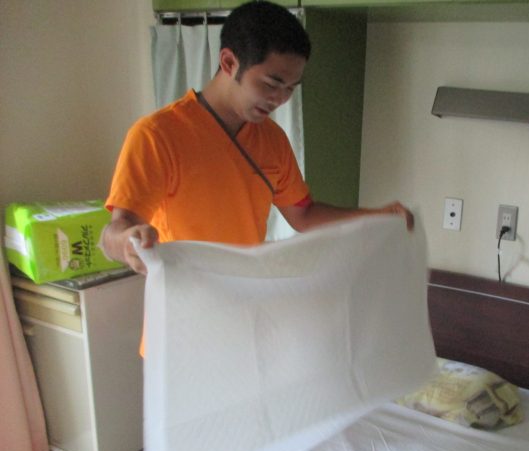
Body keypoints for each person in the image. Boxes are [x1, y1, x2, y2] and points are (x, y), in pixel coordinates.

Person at [102, 0, 412, 274]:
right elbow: (115, 231)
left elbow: (304, 215)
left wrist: (377, 216)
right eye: (271, 84)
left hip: (247, 302)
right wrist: (128, 243)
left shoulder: (273, 141)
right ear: (229, 62)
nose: (280, 99)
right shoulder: (158, 136)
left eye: (290, 88)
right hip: (185, 307)